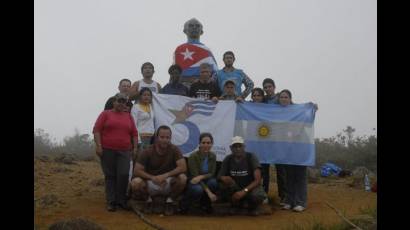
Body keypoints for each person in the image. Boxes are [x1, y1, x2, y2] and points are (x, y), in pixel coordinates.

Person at [93, 93, 139, 212]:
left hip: (125, 150)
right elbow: (96, 130)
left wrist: (135, 148)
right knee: (110, 176)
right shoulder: (105, 114)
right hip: (107, 150)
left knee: (123, 174)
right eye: (119, 101)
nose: (121, 103)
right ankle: (111, 201)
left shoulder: (129, 116)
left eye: (124, 102)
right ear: (114, 102)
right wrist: (99, 146)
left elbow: (134, 133)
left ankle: (121, 200)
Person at [129, 125, 187, 215]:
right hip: (150, 182)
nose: (165, 140)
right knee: (135, 183)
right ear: (156, 138)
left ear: (170, 138)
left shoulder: (175, 149)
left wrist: (165, 176)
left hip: (167, 182)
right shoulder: (147, 151)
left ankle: (170, 201)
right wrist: (153, 178)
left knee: (183, 178)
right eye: (162, 137)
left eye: (167, 137)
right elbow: (137, 170)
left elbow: (183, 167)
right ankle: (148, 200)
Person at [278, 89, 317, 212]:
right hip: (287, 148)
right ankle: (289, 201)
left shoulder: (298, 111)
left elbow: (309, 120)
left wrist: (313, 109)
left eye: (286, 97)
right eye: (281, 97)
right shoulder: (276, 111)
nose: (283, 99)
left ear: (290, 99)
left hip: (300, 147)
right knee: (289, 176)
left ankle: (300, 202)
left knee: (300, 176)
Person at [218, 136, 267, 216]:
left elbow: (257, 180)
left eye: (240, 146)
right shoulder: (228, 159)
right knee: (222, 185)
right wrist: (226, 179)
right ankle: (235, 205)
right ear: (231, 148)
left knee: (257, 195)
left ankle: (253, 207)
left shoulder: (251, 157)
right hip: (236, 188)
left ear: (244, 147)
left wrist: (244, 191)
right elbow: (220, 176)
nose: (238, 149)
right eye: (235, 146)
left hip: (249, 188)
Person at [174, 18, 218, 89]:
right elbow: (174, 72)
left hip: (202, 87)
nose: (194, 27)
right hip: (182, 87)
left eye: (197, 26)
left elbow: (215, 73)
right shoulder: (179, 49)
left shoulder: (206, 50)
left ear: (201, 31)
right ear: (185, 30)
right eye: (191, 25)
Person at [180, 133, 218, 214]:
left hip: (203, 179)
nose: (206, 145)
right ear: (199, 144)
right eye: (203, 143)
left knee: (213, 183)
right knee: (198, 189)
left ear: (212, 144)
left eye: (208, 143)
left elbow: (212, 173)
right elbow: (195, 177)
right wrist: (209, 193)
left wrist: (201, 177)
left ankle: (205, 205)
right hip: (193, 181)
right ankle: (184, 205)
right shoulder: (193, 156)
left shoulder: (213, 156)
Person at [249, 88, 269, 204]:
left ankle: (264, 194)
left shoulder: (268, 108)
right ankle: (254, 192)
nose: (256, 97)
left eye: (258, 95)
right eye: (254, 95)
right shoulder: (248, 106)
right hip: (252, 141)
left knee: (265, 170)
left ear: (262, 97)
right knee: (254, 169)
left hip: (265, 143)